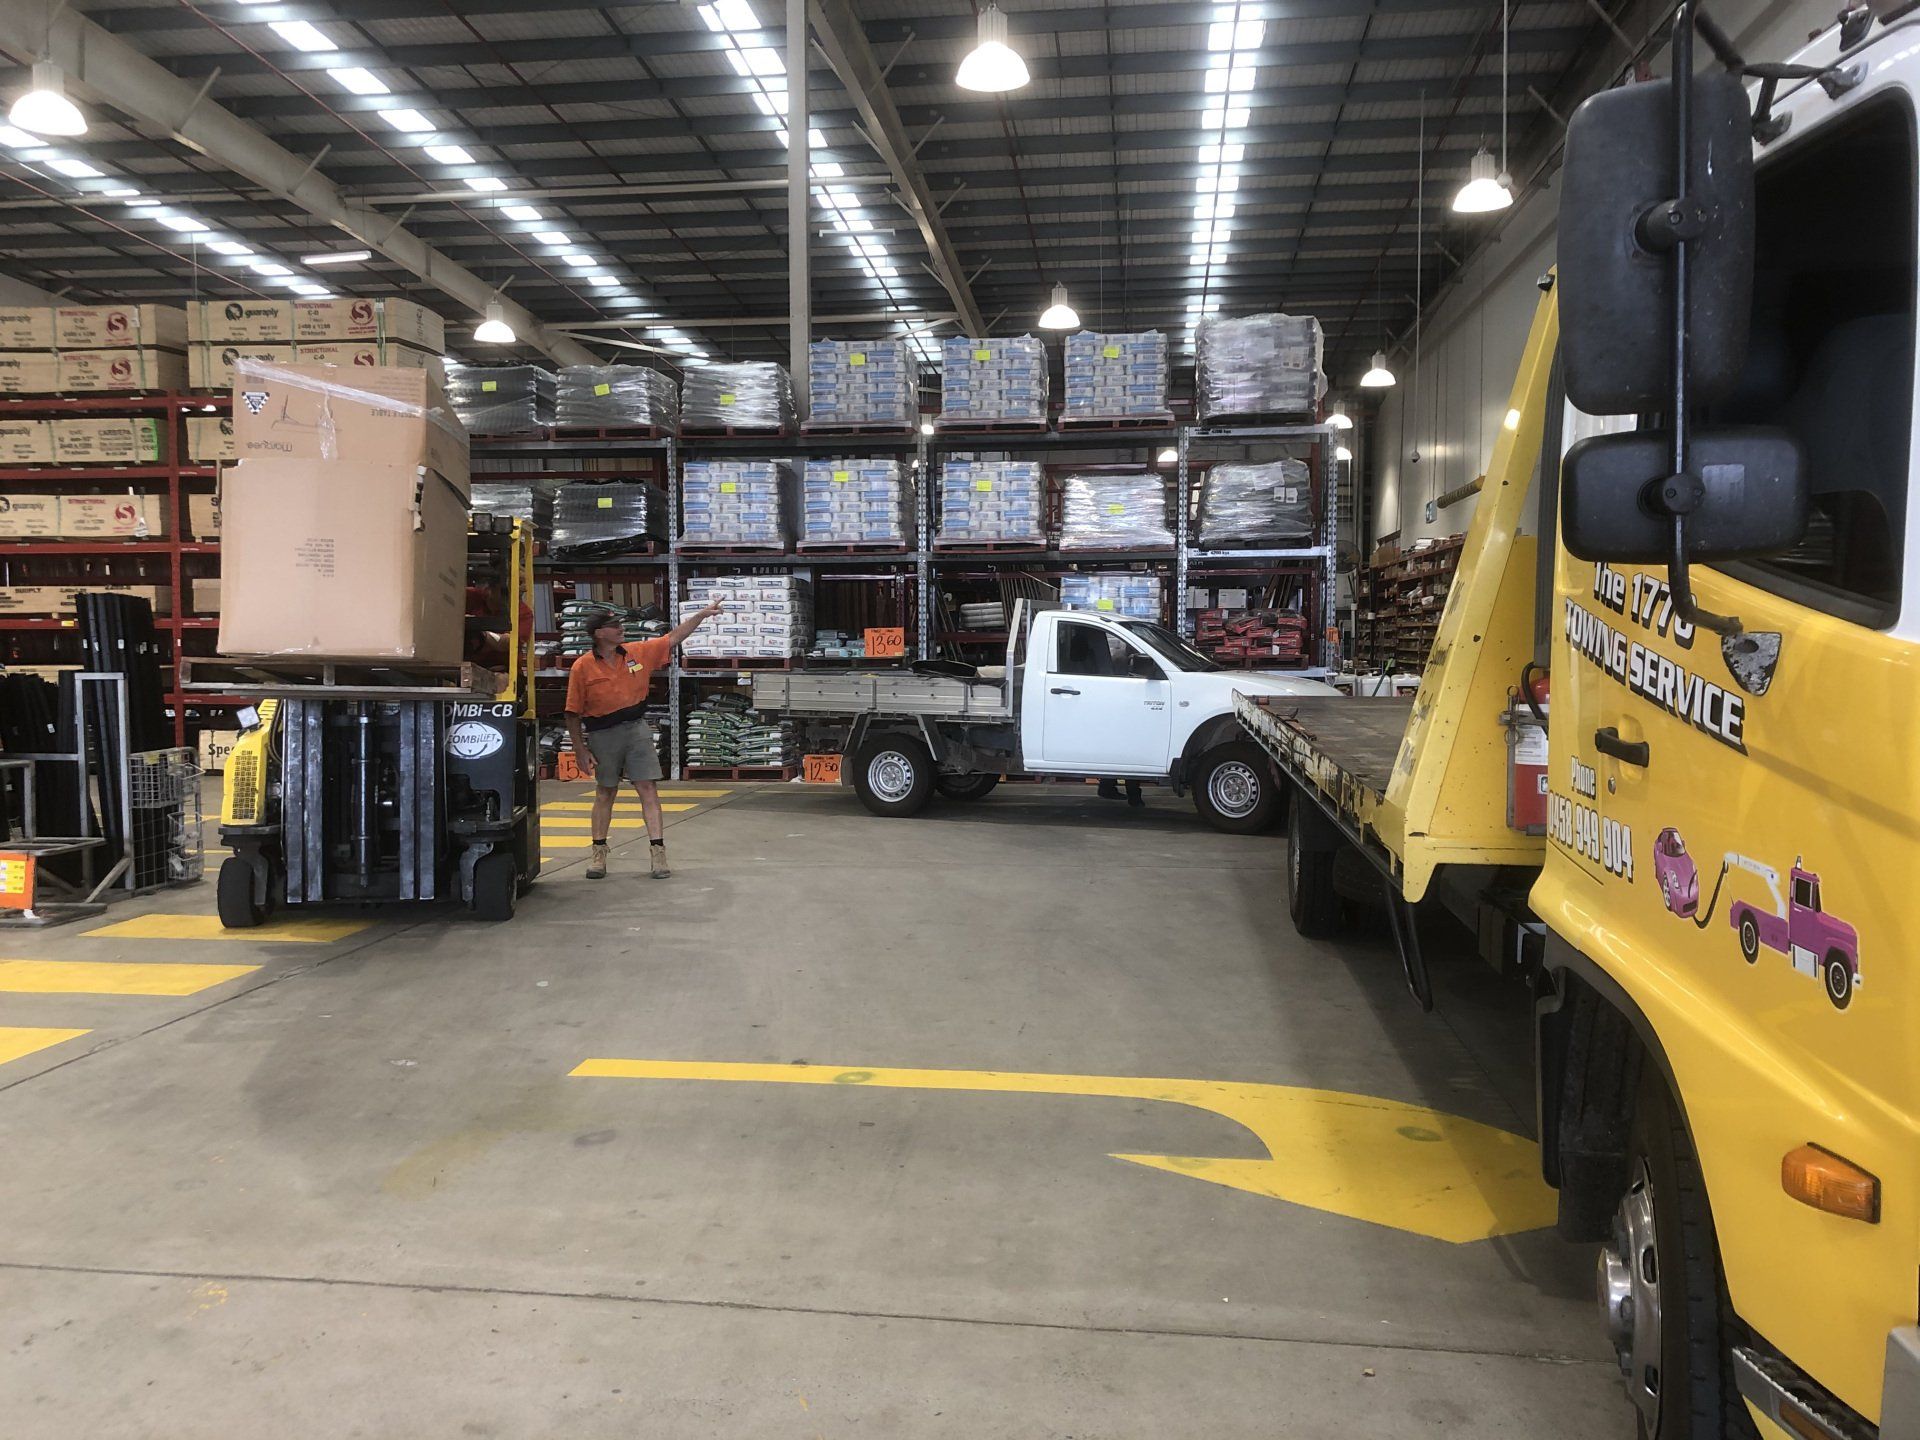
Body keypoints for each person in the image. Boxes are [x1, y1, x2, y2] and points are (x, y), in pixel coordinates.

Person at [563, 601, 724, 880]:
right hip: (603, 734)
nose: (620, 630)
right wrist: (580, 749)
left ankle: (658, 853)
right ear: (599, 633)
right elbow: (572, 713)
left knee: (647, 787)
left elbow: (672, 638)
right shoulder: (583, 667)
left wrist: (700, 616)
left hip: (637, 730)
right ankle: (598, 854)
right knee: (606, 790)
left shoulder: (637, 653)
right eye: (614, 627)